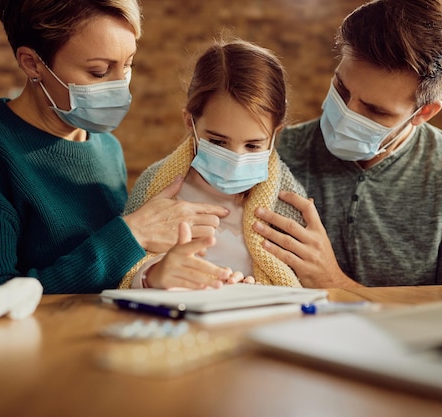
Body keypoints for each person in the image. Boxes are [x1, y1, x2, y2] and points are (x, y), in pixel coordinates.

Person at [0, 0, 232, 294]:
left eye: (128, 65)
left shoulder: (106, 147)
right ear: (32, 63)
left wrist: (154, 273)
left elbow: (111, 276)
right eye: (99, 72)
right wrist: (131, 234)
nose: (120, 87)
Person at [253, 0, 442, 288]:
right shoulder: (276, 151)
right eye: (341, 88)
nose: (347, 113)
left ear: (423, 113)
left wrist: (333, 283)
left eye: (375, 110)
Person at [121, 39, 306, 290]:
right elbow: (125, 268)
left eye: (252, 146)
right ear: (190, 123)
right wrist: (151, 275)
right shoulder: (155, 187)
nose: (236, 160)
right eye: (218, 142)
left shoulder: (287, 202)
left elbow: (300, 283)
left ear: (275, 134)